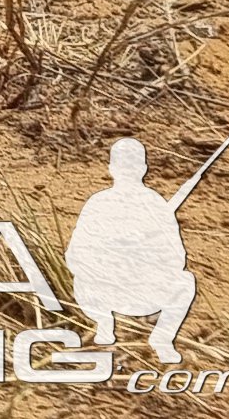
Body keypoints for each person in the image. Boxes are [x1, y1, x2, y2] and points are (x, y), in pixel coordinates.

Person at [66, 136, 202, 364]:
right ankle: (105, 327)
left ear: (111, 169)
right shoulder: (101, 203)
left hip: (139, 290)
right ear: (144, 169)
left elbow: (176, 259)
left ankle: (160, 339)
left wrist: (142, 255)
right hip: (106, 290)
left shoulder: (153, 205)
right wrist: (110, 256)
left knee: (185, 281)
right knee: (185, 282)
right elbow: (75, 256)